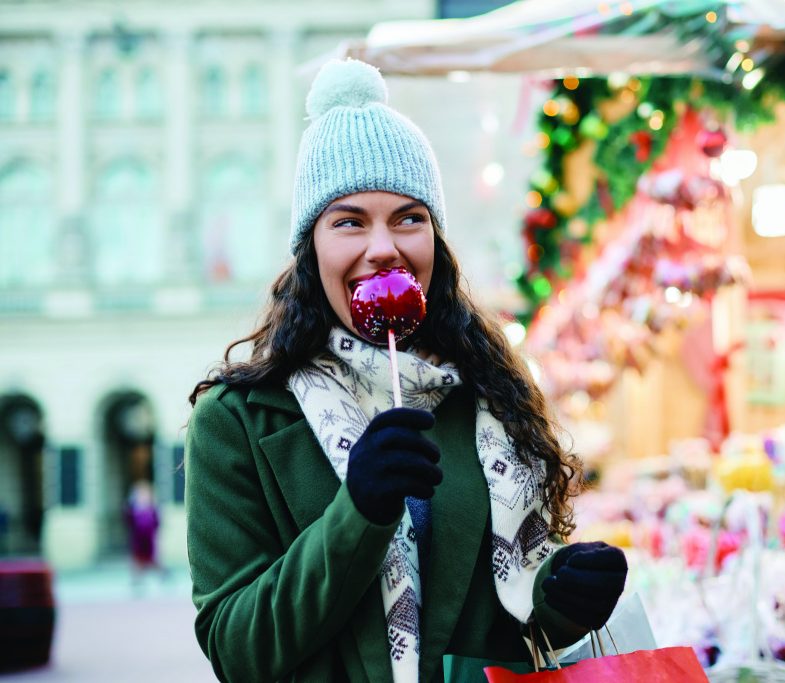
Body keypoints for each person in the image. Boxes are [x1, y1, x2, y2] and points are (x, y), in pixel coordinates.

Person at [185, 58, 628, 683]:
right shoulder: (236, 424)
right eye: (348, 222)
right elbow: (237, 651)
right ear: (311, 249)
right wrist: (357, 511)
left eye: (408, 218)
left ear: (434, 243)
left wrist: (565, 593)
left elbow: (510, 620)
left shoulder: (488, 394)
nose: (383, 246)